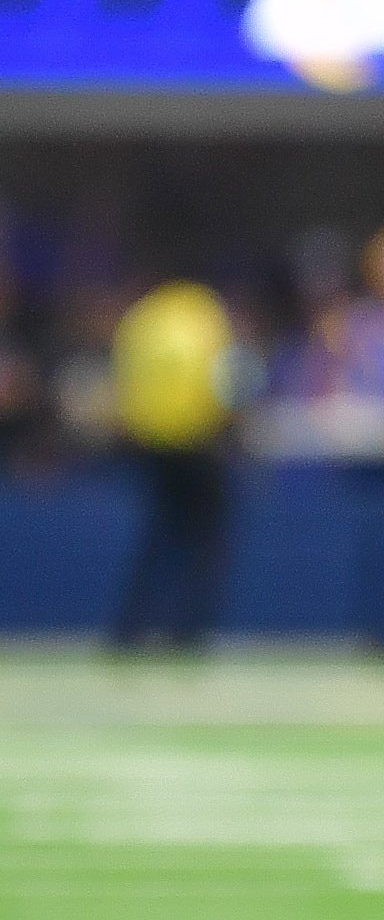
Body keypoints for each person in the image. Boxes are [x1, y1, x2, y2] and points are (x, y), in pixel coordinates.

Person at [106, 277, 242, 651]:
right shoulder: (205, 315)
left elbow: (125, 381)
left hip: (151, 445)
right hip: (201, 444)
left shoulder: (142, 318)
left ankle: (132, 630)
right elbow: (227, 380)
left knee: (158, 539)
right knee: (207, 542)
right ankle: (187, 633)